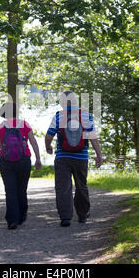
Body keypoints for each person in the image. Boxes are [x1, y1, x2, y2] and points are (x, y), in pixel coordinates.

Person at [44, 91, 103, 227]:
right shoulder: (86, 115)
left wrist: (48, 147)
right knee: (81, 185)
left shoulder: (59, 116)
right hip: (81, 157)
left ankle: (65, 217)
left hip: (62, 157)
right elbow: (92, 137)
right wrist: (99, 155)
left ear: (62, 103)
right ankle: (82, 215)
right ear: (76, 101)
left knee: (63, 187)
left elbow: (49, 136)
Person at [0, 102, 42, 230]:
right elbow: (33, 141)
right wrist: (38, 158)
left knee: (10, 190)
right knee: (22, 189)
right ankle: (22, 216)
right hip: (24, 160)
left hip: (6, 161)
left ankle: (12, 220)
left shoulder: (0, 126)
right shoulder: (24, 124)